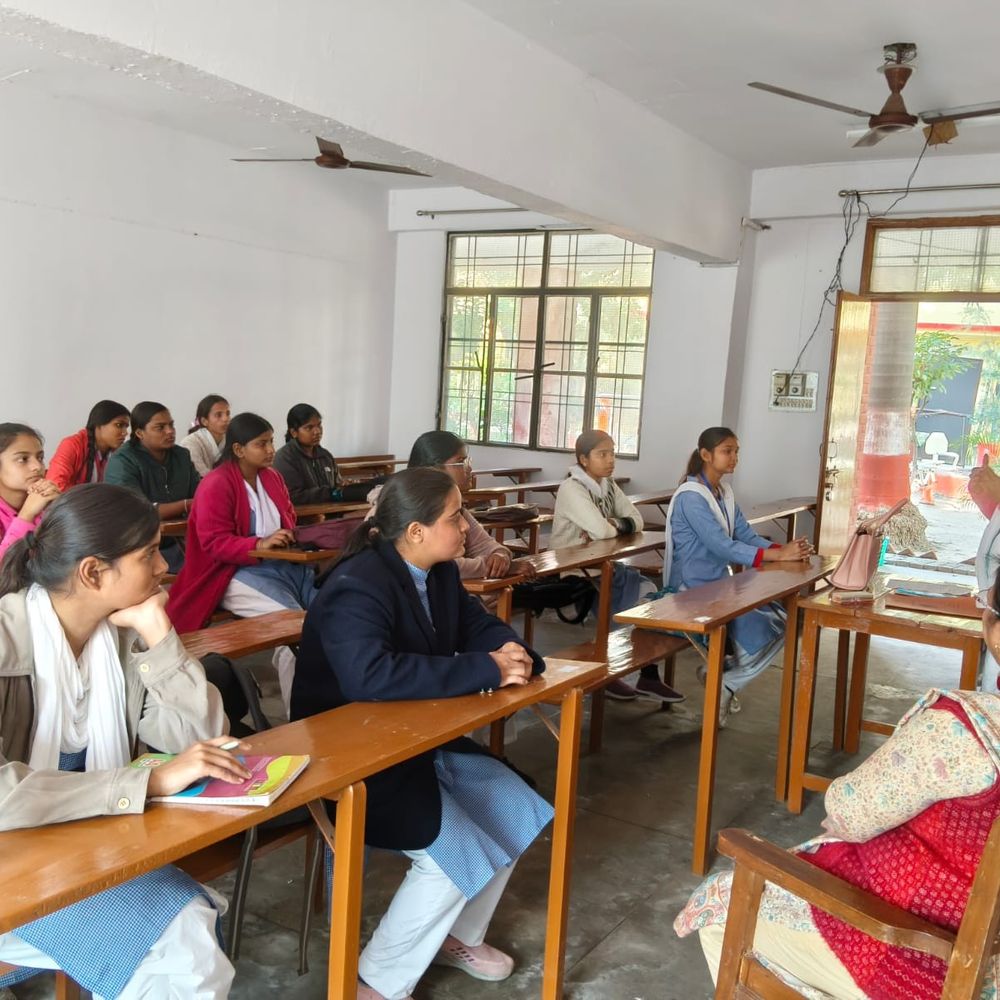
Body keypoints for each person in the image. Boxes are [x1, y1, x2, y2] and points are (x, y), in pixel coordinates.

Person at [290, 468, 554, 1000]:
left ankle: (455, 936)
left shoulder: (438, 573)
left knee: (515, 805)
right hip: (349, 758)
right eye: (456, 515)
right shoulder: (357, 585)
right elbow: (371, 676)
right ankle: (374, 982)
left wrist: (515, 655)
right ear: (415, 530)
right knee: (457, 850)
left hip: (412, 739)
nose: (466, 525)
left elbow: (479, 626)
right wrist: (487, 669)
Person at [676, 577, 1000, 998]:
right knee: (769, 625)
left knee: (721, 902)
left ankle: (725, 683)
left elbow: (851, 811)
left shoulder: (962, 728)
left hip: (922, 951)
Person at [0, 483, 247, 998]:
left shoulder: (122, 637)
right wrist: (146, 781)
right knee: (184, 948)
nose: (164, 566)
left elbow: (200, 739)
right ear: (93, 572)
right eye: (150, 553)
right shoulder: (7, 642)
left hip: (81, 850)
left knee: (184, 931)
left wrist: (159, 632)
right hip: (15, 869)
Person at [166, 413, 316, 713]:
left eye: (271, 442)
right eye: (261, 444)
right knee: (298, 626)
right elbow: (213, 542)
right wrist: (259, 544)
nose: (271, 449)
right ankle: (298, 714)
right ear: (238, 449)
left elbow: (288, 518)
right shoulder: (216, 483)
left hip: (282, 565)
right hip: (230, 573)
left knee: (327, 615)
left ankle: (322, 705)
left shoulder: (271, 478)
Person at [664, 427, 811, 724]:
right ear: (706, 455)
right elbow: (723, 545)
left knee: (788, 621)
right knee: (775, 625)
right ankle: (727, 680)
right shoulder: (691, 497)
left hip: (718, 585)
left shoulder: (723, 492)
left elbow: (744, 534)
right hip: (690, 590)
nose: (734, 457)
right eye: (727, 451)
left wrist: (785, 549)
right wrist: (777, 555)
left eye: (736, 451)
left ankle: (726, 678)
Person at [551, 428, 682, 704]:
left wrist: (617, 525)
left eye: (612, 453)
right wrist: (613, 527)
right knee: (632, 605)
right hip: (577, 573)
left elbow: (637, 519)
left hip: (604, 567)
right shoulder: (572, 488)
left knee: (649, 598)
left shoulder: (608, 485)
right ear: (583, 460)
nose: (610, 460)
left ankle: (646, 675)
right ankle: (609, 674)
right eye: (602, 454)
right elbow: (601, 531)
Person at [406, 430, 537, 583]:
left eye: (467, 461)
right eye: (461, 462)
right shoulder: (410, 507)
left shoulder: (455, 508)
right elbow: (437, 566)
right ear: (435, 468)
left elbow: (486, 545)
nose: (469, 469)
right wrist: (491, 568)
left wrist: (500, 556)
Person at [104, 402, 200, 573]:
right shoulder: (123, 461)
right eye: (160, 427)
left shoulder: (181, 456)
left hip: (181, 541)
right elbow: (138, 512)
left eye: (171, 425)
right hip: (138, 546)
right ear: (140, 433)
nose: (170, 431)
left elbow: (201, 494)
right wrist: (186, 504)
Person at [273, 403, 383, 505]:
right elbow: (294, 496)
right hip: (303, 520)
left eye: (319, 425)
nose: (317, 431)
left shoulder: (325, 456)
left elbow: (336, 485)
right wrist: (331, 493)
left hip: (332, 513)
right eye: (309, 427)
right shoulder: (285, 458)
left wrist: (344, 486)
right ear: (294, 432)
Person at [0, 424, 61, 560]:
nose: (37, 467)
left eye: (40, 458)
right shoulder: (32, 507)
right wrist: (26, 515)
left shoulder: (43, 501)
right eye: (23, 459)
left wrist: (60, 509)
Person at [46, 400, 131, 491]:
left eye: (126, 427)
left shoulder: (119, 454)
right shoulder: (72, 445)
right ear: (98, 425)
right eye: (119, 425)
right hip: (71, 504)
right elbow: (55, 485)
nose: (125, 433)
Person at [178, 395, 231, 477]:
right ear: (204, 421)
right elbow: (200, 477)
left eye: (227, 414)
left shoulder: (231, 440)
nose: (226, 419)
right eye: (218, 415)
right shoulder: (190, 443)